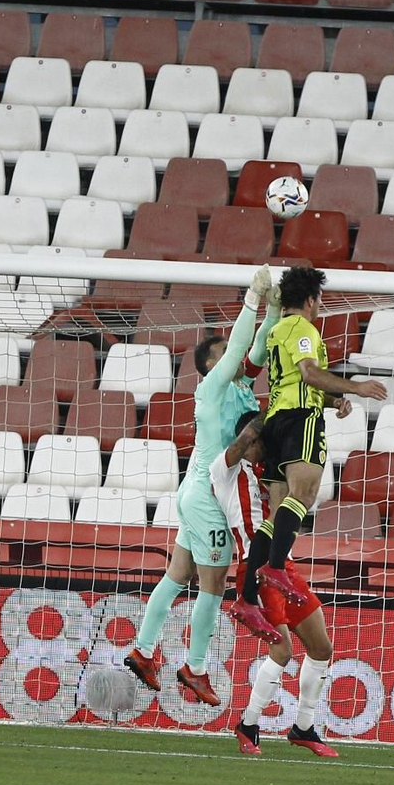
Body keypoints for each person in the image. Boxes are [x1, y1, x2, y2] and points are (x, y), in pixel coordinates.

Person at [124, 265, 281, 707]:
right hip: (210, 498)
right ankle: (195, 669)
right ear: (211, 364)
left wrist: (270, 309)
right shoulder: (212, 388)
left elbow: (258, 350)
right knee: (212, 586)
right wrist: (252, 299)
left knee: (177, 576)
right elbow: (237, 349)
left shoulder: (242, 386)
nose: (236, 356)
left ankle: (143, 649)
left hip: (197, 493)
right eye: (225, 352)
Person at [237, 265, 389, 613]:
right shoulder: (302, 327)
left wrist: (335, 400)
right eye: (319, 299)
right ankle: (275, 569)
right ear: (310, 300)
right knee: (303, 495)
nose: (320, 306)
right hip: (299, 419)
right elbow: (309, 373)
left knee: (275, 518)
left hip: (275, 420)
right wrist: (356, 386)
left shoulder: (276, 330)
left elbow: (294, 379)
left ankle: (246, 596)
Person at [213, 411, 339, 759]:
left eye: (260, 443)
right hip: (252, 570)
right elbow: (239, 445)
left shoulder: (270, 470)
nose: (257, 449)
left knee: (321, 648)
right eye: (253, 442)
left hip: (282, 567)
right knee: (281, 651)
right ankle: (249, 724)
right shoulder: (223, 471)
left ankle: (303, 726)